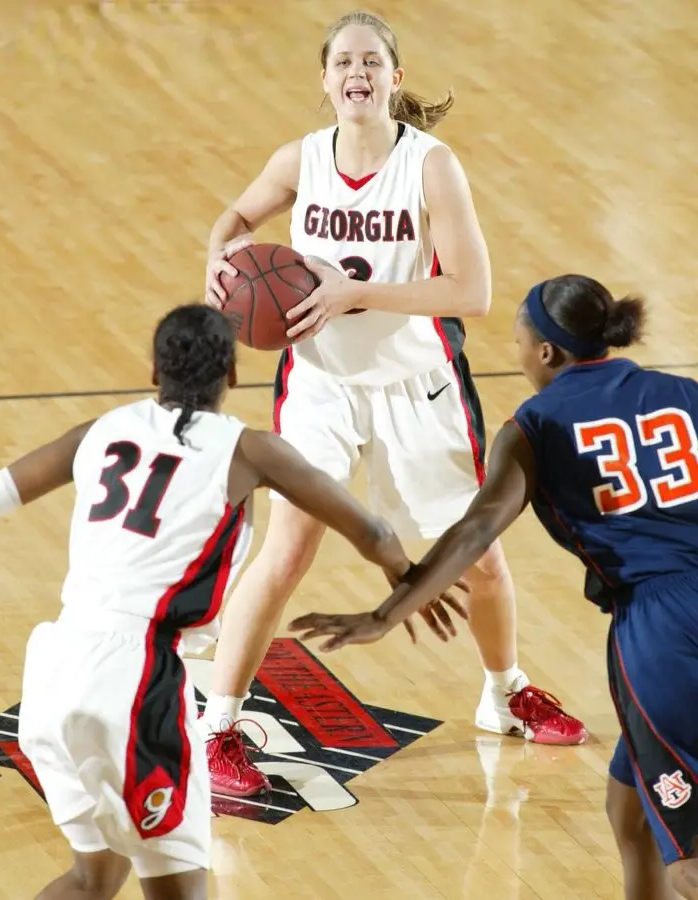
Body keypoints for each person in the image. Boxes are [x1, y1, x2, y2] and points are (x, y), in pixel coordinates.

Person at [203, 9, 586, 796]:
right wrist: (219, 257)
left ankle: (504, 693)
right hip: (320, 383)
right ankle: (217, 727)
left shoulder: (431, 166)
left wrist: (354, 292)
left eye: (373, 61)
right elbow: (237, 219)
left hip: (419, 384)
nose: (358, 72)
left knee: (479, 559)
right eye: (344, 60)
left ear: (394, 78)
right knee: (288, 550)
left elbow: (471, 292)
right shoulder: (300, 159)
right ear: (325, 79)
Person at [0, 303, 459, 900]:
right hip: (137, 679)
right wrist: (407, 580)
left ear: (154, 368)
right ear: (232, 373)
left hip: (53, 669)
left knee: (92, 877)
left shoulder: (98, 430)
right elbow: (376, 534)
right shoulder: (248, 450)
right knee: (179, 890)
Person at [290, 273, 698, 900]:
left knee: (689, 857)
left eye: (517, 344)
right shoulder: (682, 391)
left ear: (545, 353)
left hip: (660, 630)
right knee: (629, 806)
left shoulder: (536, 423)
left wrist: (389, 612)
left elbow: (479, 528)